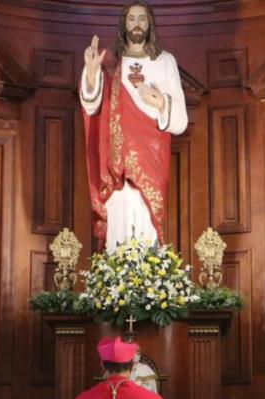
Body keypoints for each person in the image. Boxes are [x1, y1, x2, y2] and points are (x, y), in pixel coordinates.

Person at [80, 1, 188, 252]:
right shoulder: (108, 61)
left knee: (145, 212)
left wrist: (161, 102)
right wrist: (92, 73)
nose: (137, 23)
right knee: (120, 208)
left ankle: (150, 277)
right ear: (123, 24)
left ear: (149, 23)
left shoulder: (165, 61)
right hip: (116, 157)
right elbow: (90, 106)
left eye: (142, 18)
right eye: (131, 18)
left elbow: (180, 121)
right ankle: (117, 273)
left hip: (152, 152)